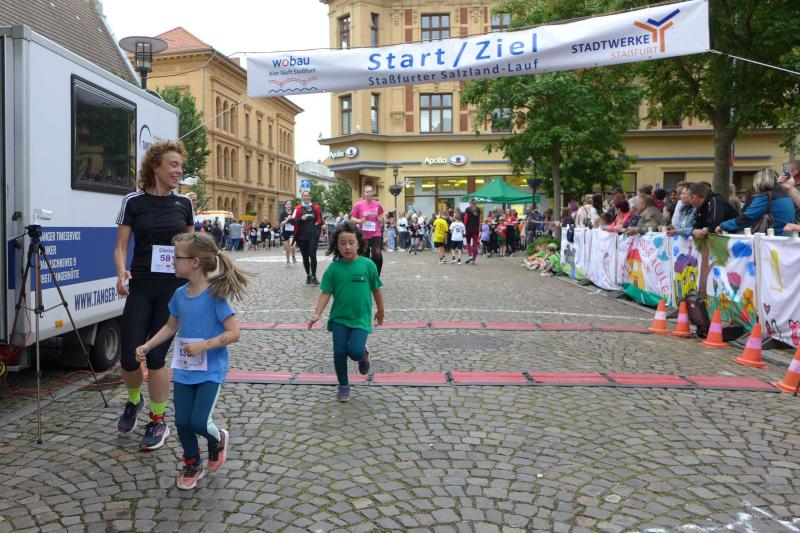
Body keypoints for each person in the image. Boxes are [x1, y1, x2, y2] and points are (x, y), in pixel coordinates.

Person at [135, 232, 247, 489]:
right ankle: (192, 463)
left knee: (199, 422)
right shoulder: (179, 294)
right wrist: (148, 345)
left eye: (177, 257)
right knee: (182, 422)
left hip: (211, 370)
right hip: (185, 369)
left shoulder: (216, 296)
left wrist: (204, 345)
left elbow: (234, 333)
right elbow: (170, 326)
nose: (172, 261)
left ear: (195, 262)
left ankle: (217, 440)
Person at [114, 139, 194, 450]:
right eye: (174, 164)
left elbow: (192, 247)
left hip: (172, 290)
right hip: (142, 287)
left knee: (156, 355)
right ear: (156, 166)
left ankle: (158, 420)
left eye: (181, 166)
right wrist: (121, 272)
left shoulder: (184, 203)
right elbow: (121, 246)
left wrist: (197, 279)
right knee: (129, 356)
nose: (179, 170)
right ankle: (134, 400)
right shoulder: (133, 202)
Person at [308, 221, 384, 402]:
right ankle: (343, 385)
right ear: (337, 245)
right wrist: (317, 313)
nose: (347, 247)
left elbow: (376, 289)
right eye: (342, 243)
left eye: (351, 242)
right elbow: (326, 292)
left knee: (355, 351)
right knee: (339, 353)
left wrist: (380, 310)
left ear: (359, 243)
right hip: (339, 319)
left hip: (360, 318)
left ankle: (363, 355)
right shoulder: (334, 269)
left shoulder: (368, 265)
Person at [716, 169, 795, 236]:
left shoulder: (765, 197)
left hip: (771, 240)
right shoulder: (786, 196)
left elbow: (747, 218)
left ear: (760, 182)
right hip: (786, 237)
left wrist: (723, 226)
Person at [350, 184, 385, 276]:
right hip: (364, 235)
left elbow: (381, 213)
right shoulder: (358, 205)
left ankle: (376, 276)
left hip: (376, 233)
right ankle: (367, 275)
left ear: (373, 192)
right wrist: (359, 221)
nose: (369, 193)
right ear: (364, 193)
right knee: (365, 257)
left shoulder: (377, 204)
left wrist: (380, 218)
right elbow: (352, 218)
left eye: (371, 191)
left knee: (376, 255)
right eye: (367, 192)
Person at [293, 190, 323, 285]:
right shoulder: (298, 208)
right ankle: (308, 275)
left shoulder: (316, 208)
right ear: (302, 198)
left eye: (308, 195)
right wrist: (300, 218)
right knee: (305, 256)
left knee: (312, 255)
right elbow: (293, 221)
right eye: (304, 196)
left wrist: (318, 229)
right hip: (301, 236)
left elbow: (320, 220)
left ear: (310, 197)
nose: (306, 197)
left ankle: (314, 276)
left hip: (312, 235)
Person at [279, 200, 297, 267]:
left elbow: (296, 222)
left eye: (290, 204)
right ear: (285, 205)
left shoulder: (294, 213)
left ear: (291, 205)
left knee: (292, 246)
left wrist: (292, 221)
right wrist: (287, 219)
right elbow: (281, 224)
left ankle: (293, 257)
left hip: (293, 232)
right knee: (287, 248)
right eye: (287, 204)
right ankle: (288, 260)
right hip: (285, 233)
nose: (289, 205)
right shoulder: (282, 214)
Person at [463, 198, 481, 265]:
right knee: (475, 244)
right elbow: (479, 219)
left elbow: (466, 219)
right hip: (476, 229)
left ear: (469, 202)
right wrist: (479, 227)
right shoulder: (478, 209)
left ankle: (470, 256)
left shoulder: (467, 209)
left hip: (469, 228)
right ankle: (474, 261)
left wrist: (464, 225)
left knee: (468, 243)